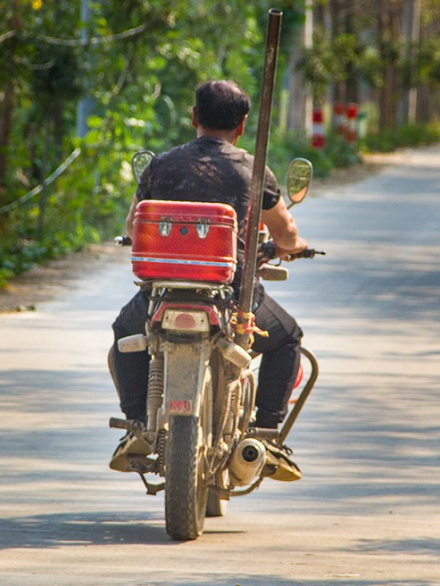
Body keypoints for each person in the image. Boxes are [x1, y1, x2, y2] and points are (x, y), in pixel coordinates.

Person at [109, 79, 309, 471]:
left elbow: (135, 228)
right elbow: (284, 234)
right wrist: (292, 247)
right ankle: (265, 435)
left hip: (162, 295)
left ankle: (136, 428)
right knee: (288, 338)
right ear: (242, 124)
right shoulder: (253, 170)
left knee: (123, 332)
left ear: (194, 117)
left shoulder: (159, 166)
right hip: (231, 296)